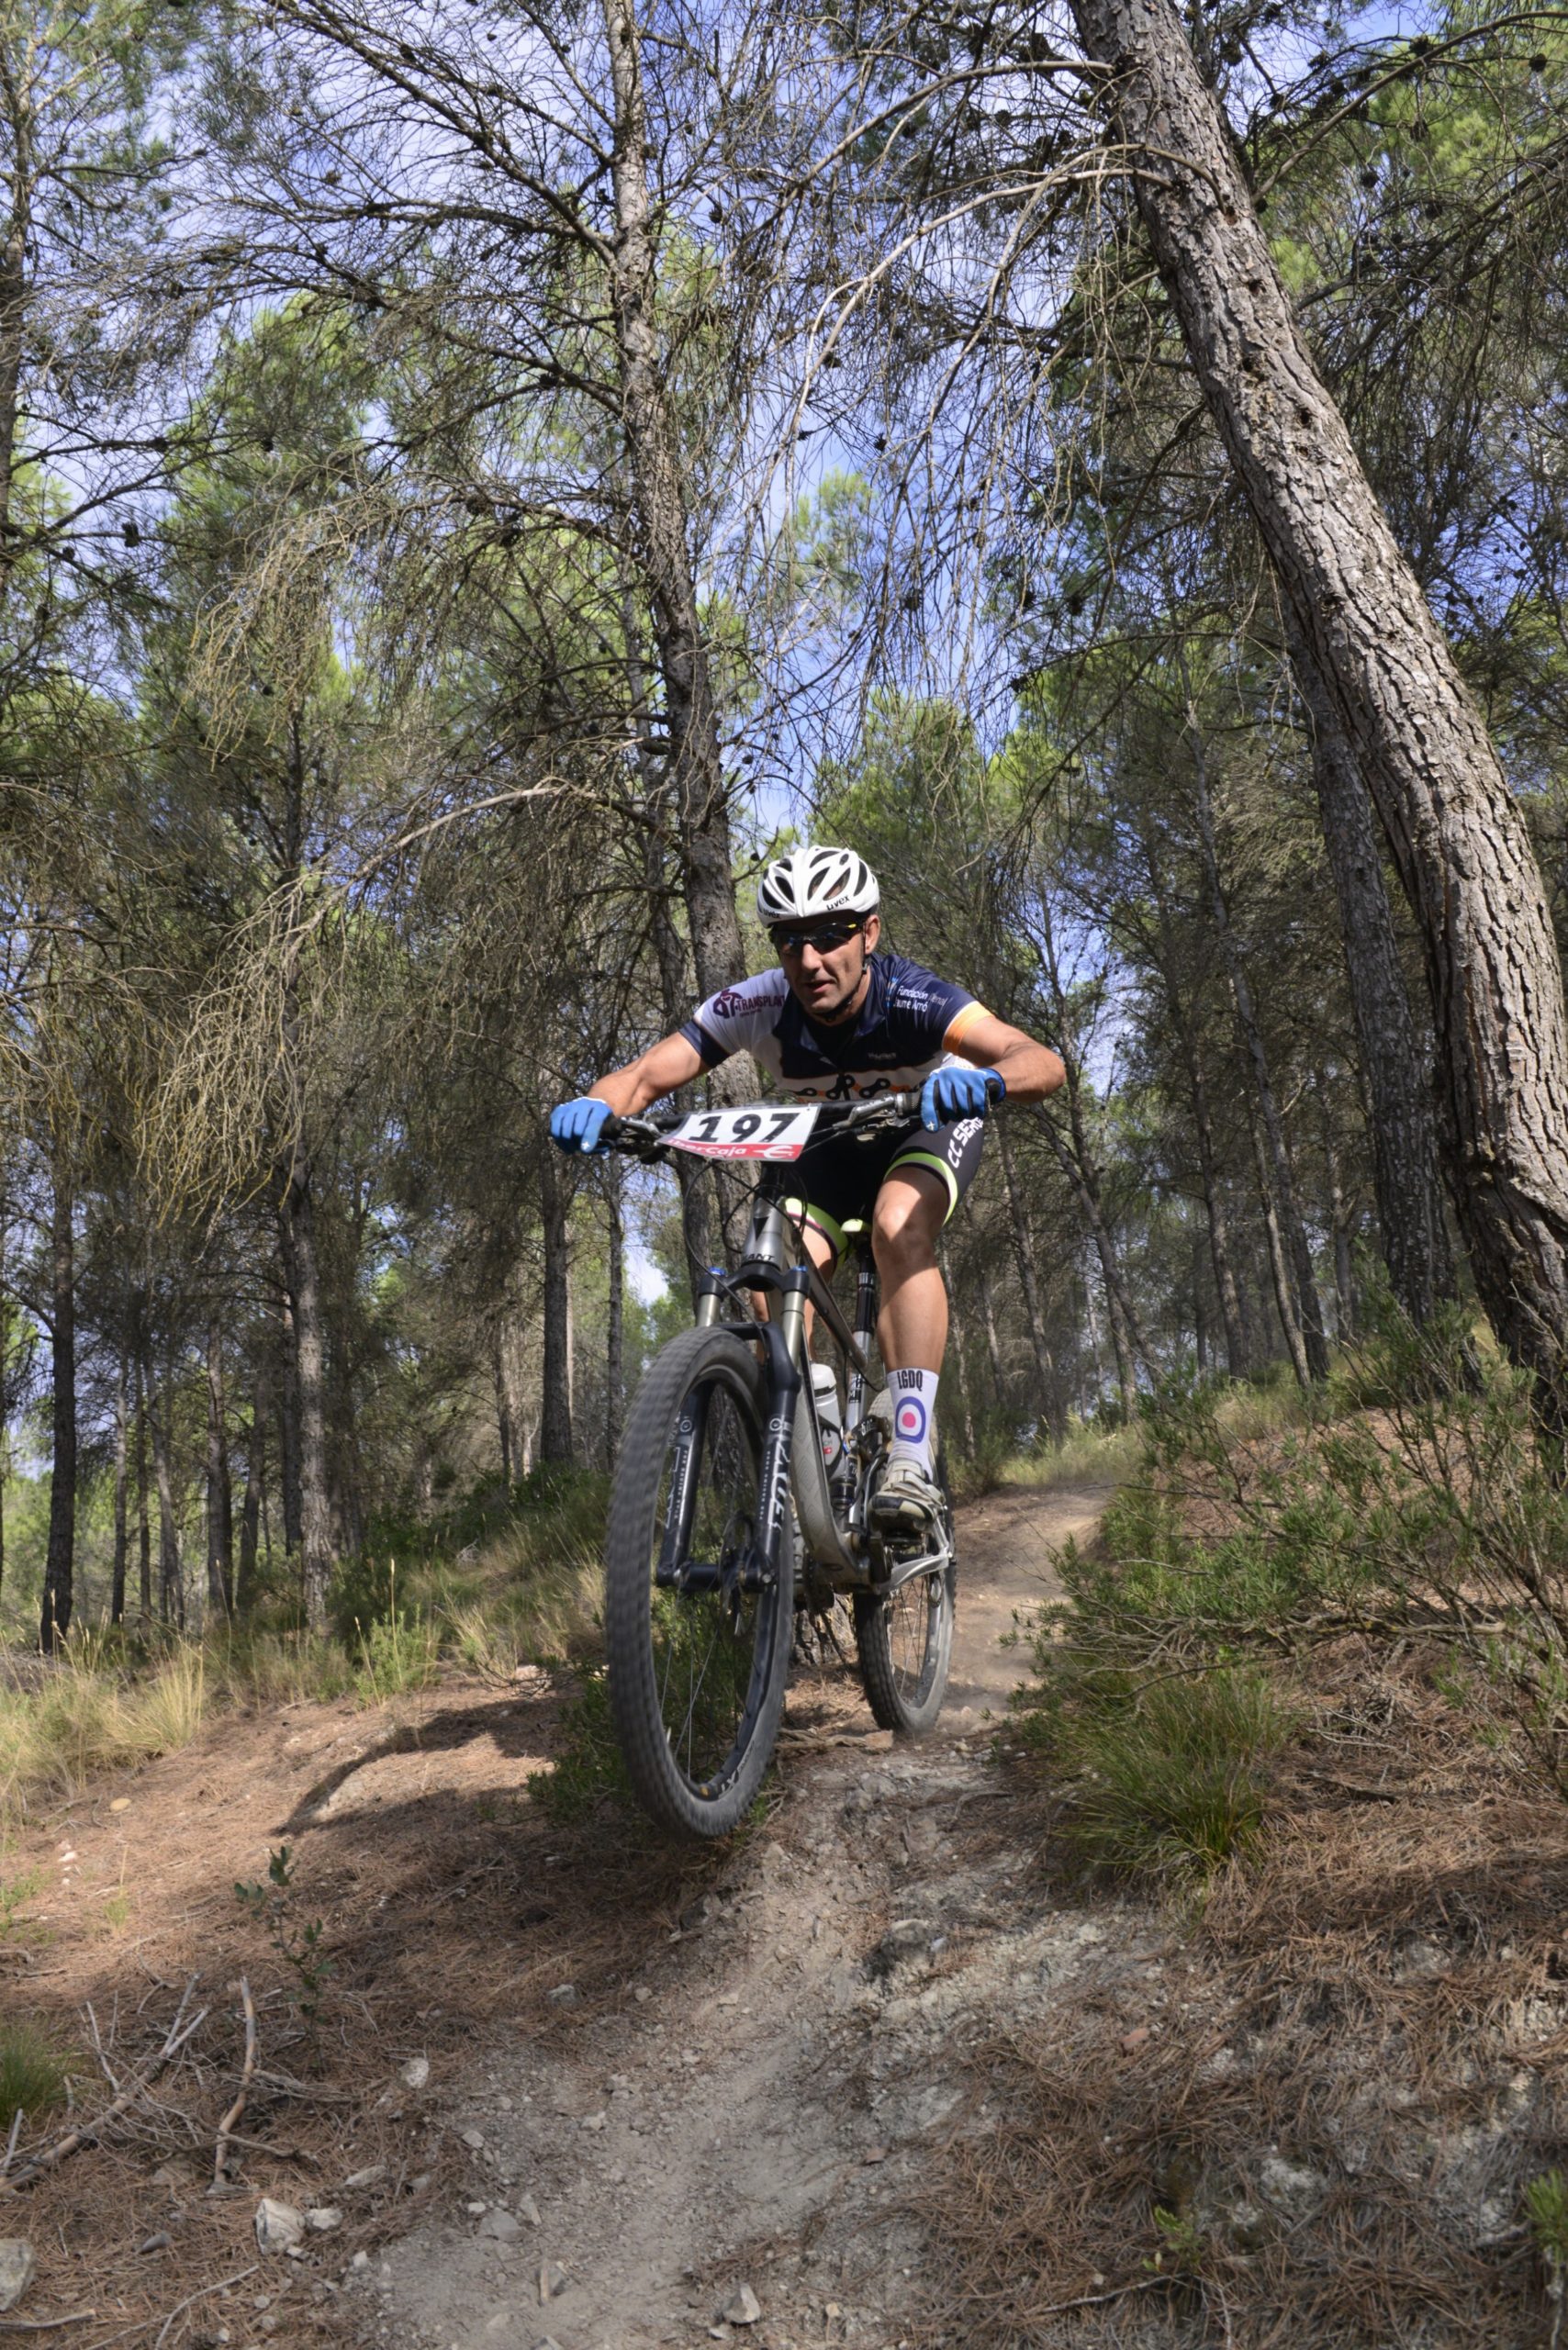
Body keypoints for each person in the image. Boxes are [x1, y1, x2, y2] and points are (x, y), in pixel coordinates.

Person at [549, 845, 1065, 1533]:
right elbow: (643, 1076)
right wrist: (597, 1102)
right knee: (770, 1273)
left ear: (869, 933)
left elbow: (1041, 1061)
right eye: (790, 941)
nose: (810, 960)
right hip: (827, 1146)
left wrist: (989, 1080)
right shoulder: (758, 1003)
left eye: (830, 936)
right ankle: (817, 1440)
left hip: (921, 1132)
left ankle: (911, 1455)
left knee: (897, 1224)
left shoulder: (914, 997)